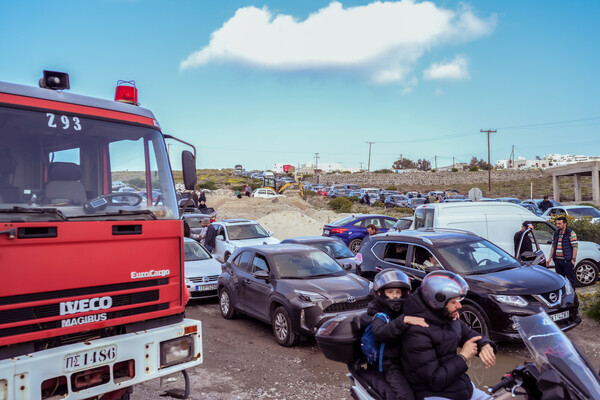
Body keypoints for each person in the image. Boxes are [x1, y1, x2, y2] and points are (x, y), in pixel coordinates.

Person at [401, 271, 496, 400]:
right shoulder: (416, 333)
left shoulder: (445, 316)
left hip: (460, 386)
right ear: (436, 302)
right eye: (454, 302)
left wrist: (485, 344)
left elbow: (468, 333)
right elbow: (435, 380)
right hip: (434, 394)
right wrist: (463, 356)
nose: (460, 306)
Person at [367, 269, 428, 400]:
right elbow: (380, 332)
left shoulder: (405, 309)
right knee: (406, 396)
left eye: (398, 292)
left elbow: (424, 307)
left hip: (408, 359)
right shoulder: (379, 316)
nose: (395, 296)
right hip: (391, 365)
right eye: (390, 292)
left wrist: (447, 312)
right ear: (381, 294)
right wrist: (403, 321)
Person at [548, 216, 578, 287]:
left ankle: (572, 296)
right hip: (557, 261)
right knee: (560, 280)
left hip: (567, 261)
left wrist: (573, 260)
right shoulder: (555, 233)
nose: (557, 225)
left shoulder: (571, 233)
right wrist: (549, 258)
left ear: (565, 224)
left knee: (570, 280)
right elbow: (553, 246)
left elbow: (575, 247)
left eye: (559, 224)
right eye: (557, 224)